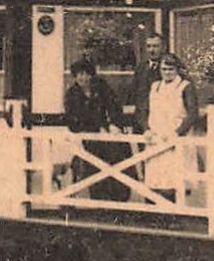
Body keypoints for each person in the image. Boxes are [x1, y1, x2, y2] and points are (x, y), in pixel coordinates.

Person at [63, 56, 126, 201]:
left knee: (117, 165)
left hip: (108, 137)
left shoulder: (101, 87)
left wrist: (113, 124)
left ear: (91, 75)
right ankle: (99, 204)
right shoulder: (72, 95)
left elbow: (114, 107)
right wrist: (96, 128)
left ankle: (118, 202)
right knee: (94, 170)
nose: (82, 77)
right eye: (79, 74)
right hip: (87, 139)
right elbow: (73, 122)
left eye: (85, 73)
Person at [142, 52, 201, 201]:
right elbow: (144, 110)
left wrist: (178, 133)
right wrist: (146, 129)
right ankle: (157, 217)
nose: (167, 72)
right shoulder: (155, 86)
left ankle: (174, 215)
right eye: (164, 69)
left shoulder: (185, 87)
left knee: (175, 180)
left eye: (171, 69)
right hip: (156, 137)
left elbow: (193, 113)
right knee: (155, 179)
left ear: (177, 70)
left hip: (176, 138)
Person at [128, 32, 166, 133]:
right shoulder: (141, 68)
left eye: (155, 46)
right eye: (149, 46)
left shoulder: (169, 68)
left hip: (162, 119)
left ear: (163, 48)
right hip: (141, 120)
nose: (151, 50)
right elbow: (135, 94)